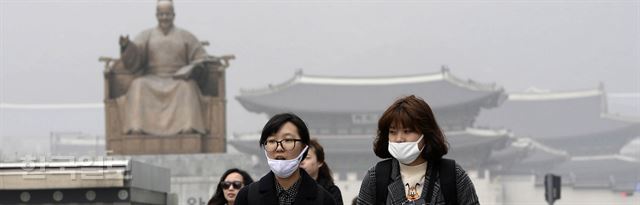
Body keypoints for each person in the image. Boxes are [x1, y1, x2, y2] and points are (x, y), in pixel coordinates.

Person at [357, 95, 480, 205]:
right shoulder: (375, 178)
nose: (399, 139)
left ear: (425, 133)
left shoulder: (453, 175)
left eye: (407, 131)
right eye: (393, 132)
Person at [117, 0, 209, 135]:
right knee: (138, 85)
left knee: (188, 87)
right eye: (161, 14)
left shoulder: (186, 36)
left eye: (167, 14)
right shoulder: (146, 35)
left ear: (173, 15)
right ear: (156, 15)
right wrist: (127, 47)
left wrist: (194, 67)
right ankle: (137, 128)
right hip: (152, 77)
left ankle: (188, 128)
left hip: (178, 79)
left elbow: (201, 57)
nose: (164, 18)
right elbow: (135, 57)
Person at [235, 113, 337, 205]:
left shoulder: (324, 200)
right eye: (271, 141)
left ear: (304, 147)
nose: (279, 148)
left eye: (288, 140)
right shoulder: (247, 197)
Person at [300, 139, 344, 205]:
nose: (302, 161)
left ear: (320, 162)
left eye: (307, 157)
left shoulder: (331, 192)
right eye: (299, 158)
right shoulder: (289, 189)